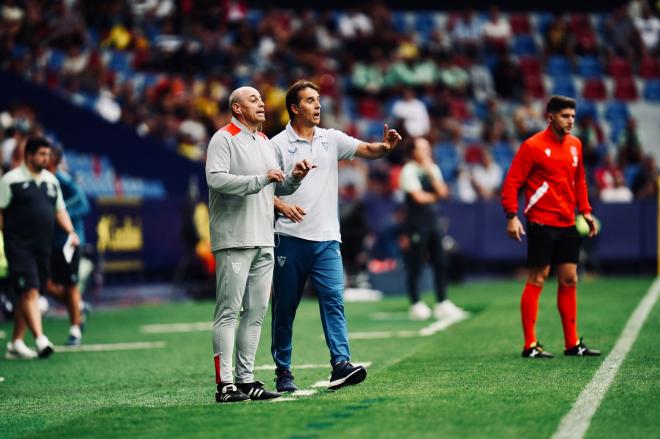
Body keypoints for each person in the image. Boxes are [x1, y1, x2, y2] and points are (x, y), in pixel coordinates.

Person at [270, 80, 401, 392]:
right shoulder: (275, 145)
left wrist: (385, 148)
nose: (318, 106)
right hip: (289, 238)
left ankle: (340, 363)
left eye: (318, 100)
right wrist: (282, 205)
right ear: (294, 107)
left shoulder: (331, 139)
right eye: (311, 101)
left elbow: (369, 150)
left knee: (334, 301)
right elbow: (263, 188)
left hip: (327, 238)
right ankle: (283, 371)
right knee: (285, 309)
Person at [206, 86, 312, 403]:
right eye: (254, 100)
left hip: (264, 238)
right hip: (234, 238)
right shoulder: (223, 138)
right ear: (237, 108)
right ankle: (224, 384)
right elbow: (215, 179)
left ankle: (246, 378)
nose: (262, 104)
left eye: (261, 100)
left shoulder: (265, 142)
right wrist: (261, 180)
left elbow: (276, 185)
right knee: (229, 311)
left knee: (256, 312)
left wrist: (294, 177)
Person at [501, 95, 601, 359]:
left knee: (570, 279)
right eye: (565, 116)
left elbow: (579, 182)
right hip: (541, 223)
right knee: (538, 278)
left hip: (568, 222)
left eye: (572, 117)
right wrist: (512, 215)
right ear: (551, 117)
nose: (570, 121)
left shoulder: (575, 145)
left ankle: (572, 344)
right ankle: (529, 345)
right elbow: (512, 183)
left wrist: (586, 212)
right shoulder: (532, 146)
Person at [1, 137, 79, 359]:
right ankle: (40, 339)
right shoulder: (10, 181)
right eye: (42, 154)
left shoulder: (51, 181)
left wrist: (71, 231)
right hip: (18, 246)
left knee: (30, 293)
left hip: (42, 247)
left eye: (47, 154)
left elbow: (59, 210)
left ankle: (16, 342)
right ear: (29, 155)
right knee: (30, 291)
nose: (46, 159)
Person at [399, 137, 468, 321]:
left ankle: (442, 302)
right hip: (416, 221)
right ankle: (415, 303)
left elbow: (444, 192)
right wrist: (435, 195)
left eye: (428, 148)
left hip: (434, 220)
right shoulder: (408, 171)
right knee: (416, 262)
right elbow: (418, 197)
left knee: (440, 260)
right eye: (423, 148)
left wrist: (431, 175)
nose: (427, 152)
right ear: (413, 152)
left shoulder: (433, 168)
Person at [45, 145, 90, 346]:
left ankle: (75, 331)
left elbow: (83, 204)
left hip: (68, 240)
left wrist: (60, 214)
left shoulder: (63, 180)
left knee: (70, 284)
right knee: (43, 283)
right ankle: (78, 306)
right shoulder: (38, 180)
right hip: (47, 239)